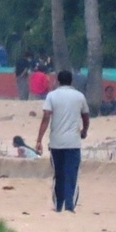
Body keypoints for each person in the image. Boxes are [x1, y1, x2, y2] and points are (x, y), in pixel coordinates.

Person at [36, 70, 90, 212]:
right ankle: (69, 206)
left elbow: (46, 117)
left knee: (58, 174)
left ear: (58, 81)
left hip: (56, 142)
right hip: (73, 142)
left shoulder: (51, 96)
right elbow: (85, 116)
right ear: (71, 81)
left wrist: (39, 139)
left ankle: (58, 205)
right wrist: (84, 130)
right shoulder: (79, 96)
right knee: (71, 174)